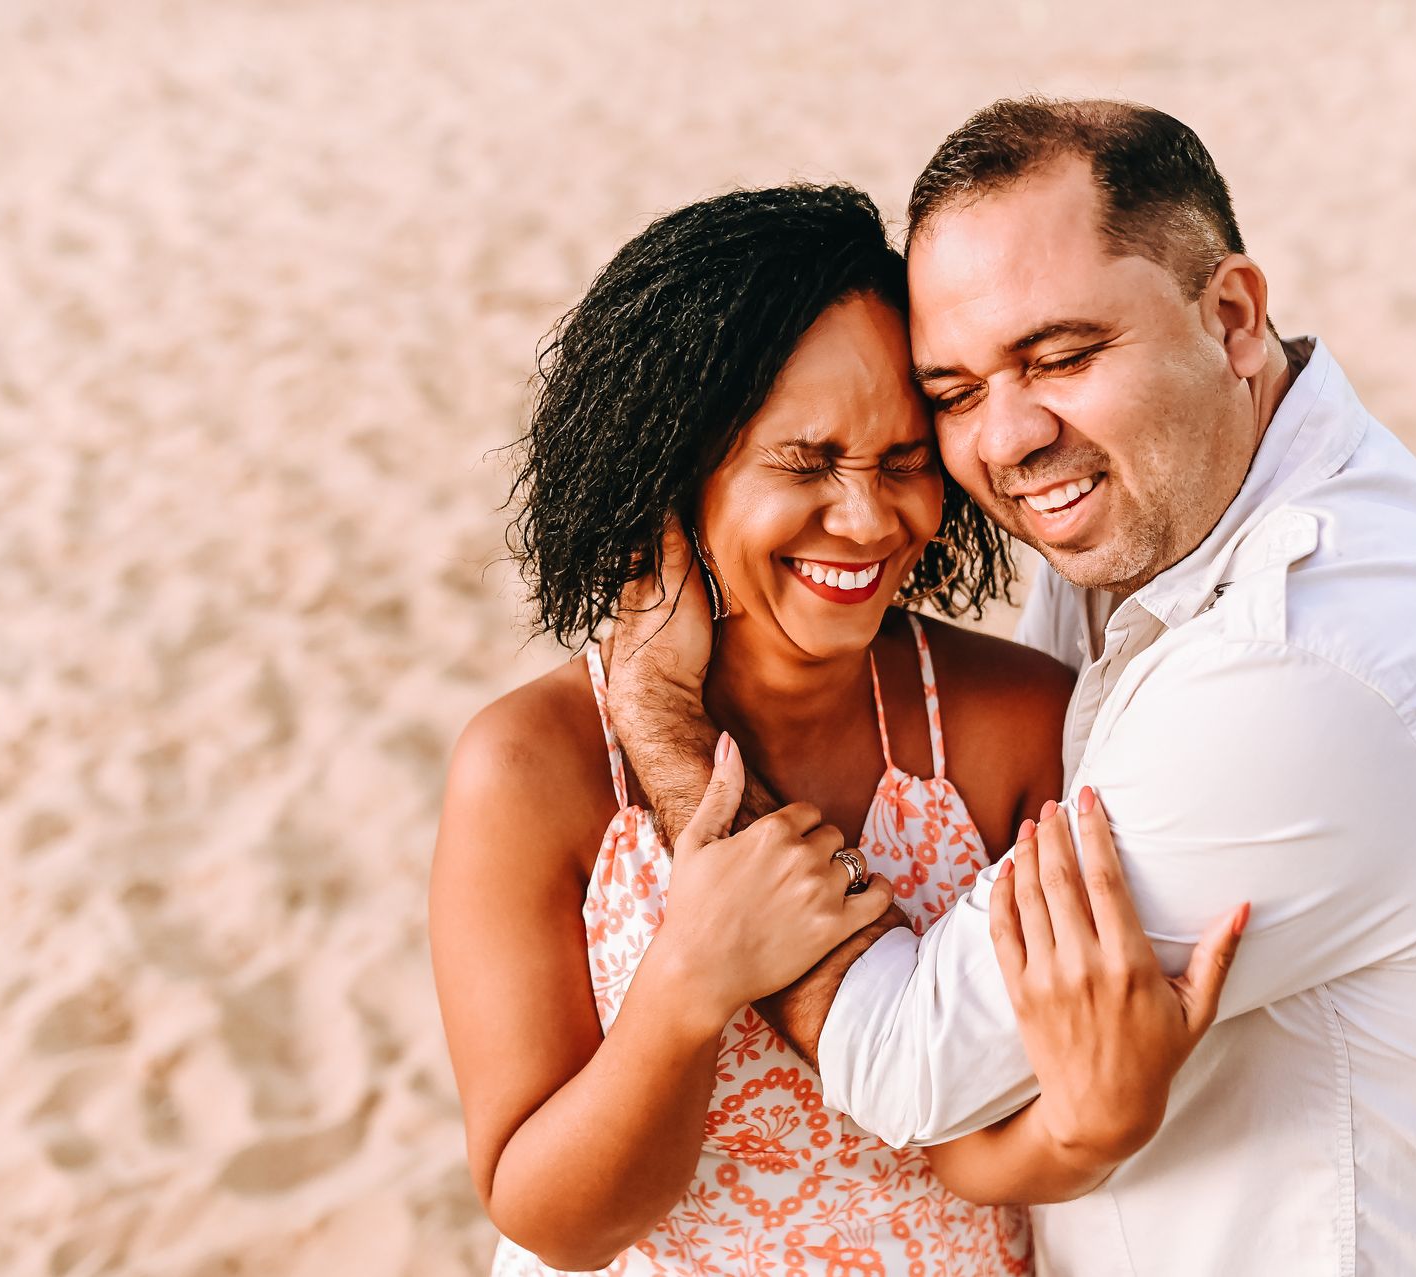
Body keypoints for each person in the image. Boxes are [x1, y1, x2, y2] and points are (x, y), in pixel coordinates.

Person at [604, 99, 1416, 1276]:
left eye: (1062, 358)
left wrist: (663, 722)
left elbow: (905, 1057)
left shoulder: (1303, 663)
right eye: (955, 391)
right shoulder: (1162, 517)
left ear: (1233, 317)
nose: (1008, 439)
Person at [429, 183, 1245, 1277]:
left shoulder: (1011, 722)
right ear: (675, 468)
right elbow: (557, 1221)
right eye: (806, 462)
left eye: (903, 460)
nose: (867, 520)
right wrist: (688, 983)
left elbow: (968, 1141)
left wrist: (1092, 1127)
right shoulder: (536, 767)